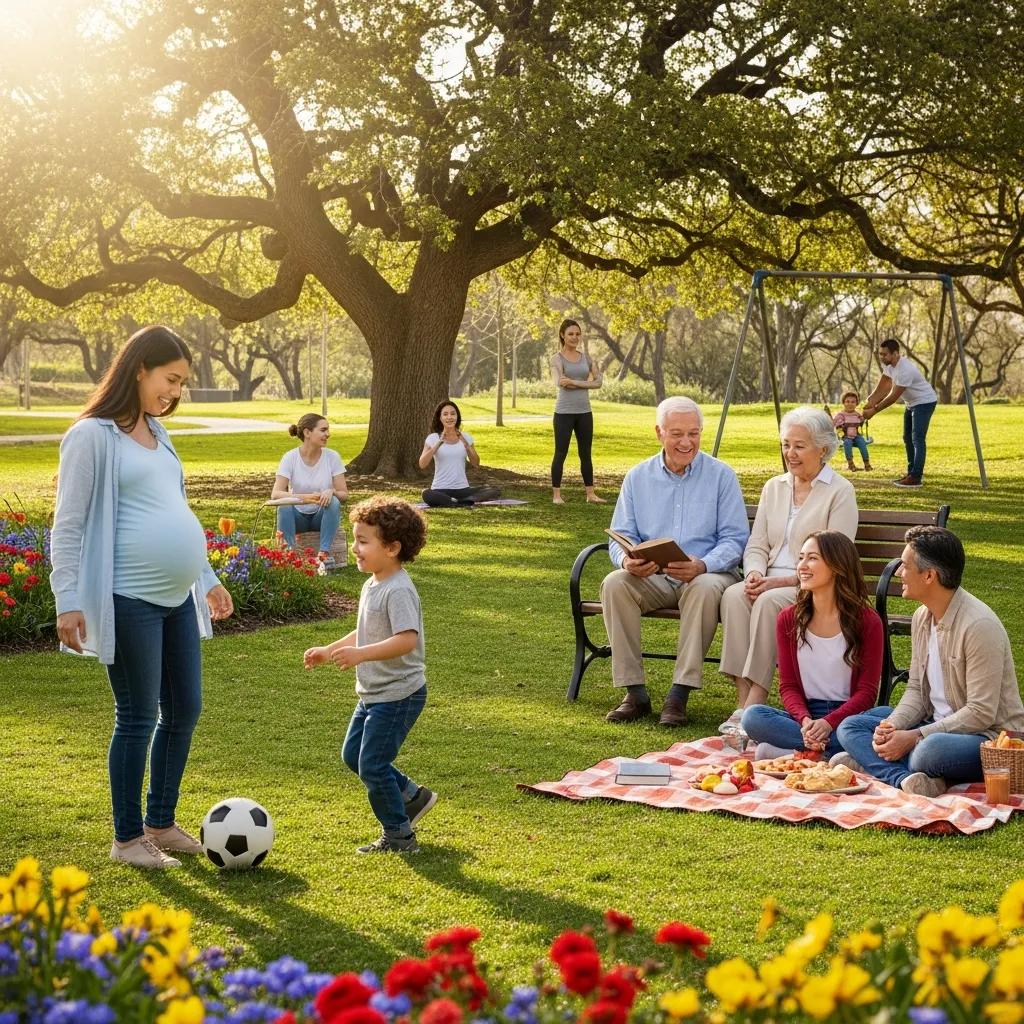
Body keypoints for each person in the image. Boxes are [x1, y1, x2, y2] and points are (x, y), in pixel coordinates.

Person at [50, 325, 234, 869]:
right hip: (127, 597)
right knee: (137, 715)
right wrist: (67, 599)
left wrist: (208, 578)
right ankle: (127, 839)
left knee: (185, 708)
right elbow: (68, 523)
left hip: (177, 598)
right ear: (138, 369)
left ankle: (161, 823)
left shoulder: (159, 432)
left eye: (180, 384)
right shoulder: (91, 435)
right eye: (169, 380)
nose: (174, 393)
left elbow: (174, 510)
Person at [834, 526, 1024, 797]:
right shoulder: (922, 617)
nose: (898, 573)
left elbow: (981, 712)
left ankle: (873, 764)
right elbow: (916, 690)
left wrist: (915, 736)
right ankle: (905, 778)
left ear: (929, 576)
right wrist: (893, 727)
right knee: (851, 726)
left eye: (905, 566)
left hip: (986, 737)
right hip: (932, 722)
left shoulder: (979, 626)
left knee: (927, 753)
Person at [601, 396, 748, 725]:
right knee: (615, 584)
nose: (686, 442)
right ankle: (635, 693)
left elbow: (735, 539)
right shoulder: (637, 477)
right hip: (654, 576)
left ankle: (679, 694)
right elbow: (620, 534)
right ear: (659, 433)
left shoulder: (722, 476)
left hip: (708, 574)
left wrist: (703, 564)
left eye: (693, 433)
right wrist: (626, 561)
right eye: (677, 434)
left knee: (704, 587)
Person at [303, 497, 436, 853]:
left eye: (363, 541)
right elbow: (365, 631)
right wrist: (328, 650)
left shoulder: (399, 590)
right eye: (355, 539)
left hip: (399, 694)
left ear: (392, 548)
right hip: (374, 692)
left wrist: (361, 654)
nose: (355, 548)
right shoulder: (373, 584)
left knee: (373, 765)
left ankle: (399, 835)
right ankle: (411, 796)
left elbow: (406, 640)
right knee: (354, 756)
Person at [718, 407, 858, 735]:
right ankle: (743, 703)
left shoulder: (840, 491)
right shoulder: (774, 487)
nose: (789, 453)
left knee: (769, 602)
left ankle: (756, 699)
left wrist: (781, 581)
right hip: (767, 579)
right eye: (785, 445)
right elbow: (757, 544)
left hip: (814, 584)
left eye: (799, 446)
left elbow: (835, 558)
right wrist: (754, 574)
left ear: (823, 449)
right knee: (734, 596)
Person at [741, 531, 883, 760]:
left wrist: (829, 723)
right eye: (801, 558)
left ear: (837, 566)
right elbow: (788, 686)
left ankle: (795, 753)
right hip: (804, 717)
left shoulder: (867, 621)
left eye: (812, 558)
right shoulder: (788, 618)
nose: (802, 566)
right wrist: (806, 721)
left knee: (885, 715)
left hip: (849, 717)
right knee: (752, 717)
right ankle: (834, 753)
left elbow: (866, 693)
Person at [862, 338, 938, 487]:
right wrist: (871, 400)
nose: (882, 357)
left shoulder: (905, 370)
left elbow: (893, 397)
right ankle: (911, 473)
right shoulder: (890, 365)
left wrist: (874, 411)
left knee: (917, 438)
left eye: (885, 354)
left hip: (924, 402)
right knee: (907, 437)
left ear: (896, 353)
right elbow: (884, 384)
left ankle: (915, 477)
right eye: (880, 354)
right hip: (911, 403)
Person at [272, 414, 348, 563]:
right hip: (297, 518)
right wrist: (305, 498)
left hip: (321, 517)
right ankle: (288, 556)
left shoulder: (332, 457)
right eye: (323, 430)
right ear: (307, 433)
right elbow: (275, 494)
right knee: (284, 505)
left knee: (334, 501)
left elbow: (344, 494)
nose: (328, 434)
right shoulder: (290, 458)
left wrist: (331, 491)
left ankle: (323, 555)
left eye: (328, 430)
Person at [551, 319, 605, 505]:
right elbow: (559, 382)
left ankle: (591, 494)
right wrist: (586, 383)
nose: (575, 337)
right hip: (563, 413)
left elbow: (599, 382)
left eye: (577, 334)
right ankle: (556, 496)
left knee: (586, 454)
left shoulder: (586, 358)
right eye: (570, 334)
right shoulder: (556, 359)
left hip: (584, 412)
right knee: (561, 453)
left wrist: (574, 382)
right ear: (562, 335)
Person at [418, 400, 501, 507]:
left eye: (453, 414)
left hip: (463, 489)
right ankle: (458, 502)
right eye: (445, 414)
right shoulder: (432, 438)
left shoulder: (466, 437)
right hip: (440, 489)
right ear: (440, 418)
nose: (449, 417)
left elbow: (476, 463)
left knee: (493, 490)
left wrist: (466, 445)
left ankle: (454, 501)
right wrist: (438, 443)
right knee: (426, 494)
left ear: (457, 417)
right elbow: (422, 464)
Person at [833, 391, 873, 472]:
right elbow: (835, 425)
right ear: (843, 403)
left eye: (853, 402)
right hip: (846, 436)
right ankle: (851, 464)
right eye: (847, 401)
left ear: (856, 404)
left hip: (856, 436)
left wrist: (864, 418)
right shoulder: (841, 415)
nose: (850, 404)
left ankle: (867, 464)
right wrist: (839, 425)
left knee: (862, 443)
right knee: (847, 443)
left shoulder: (857, 415)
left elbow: (861, 421)